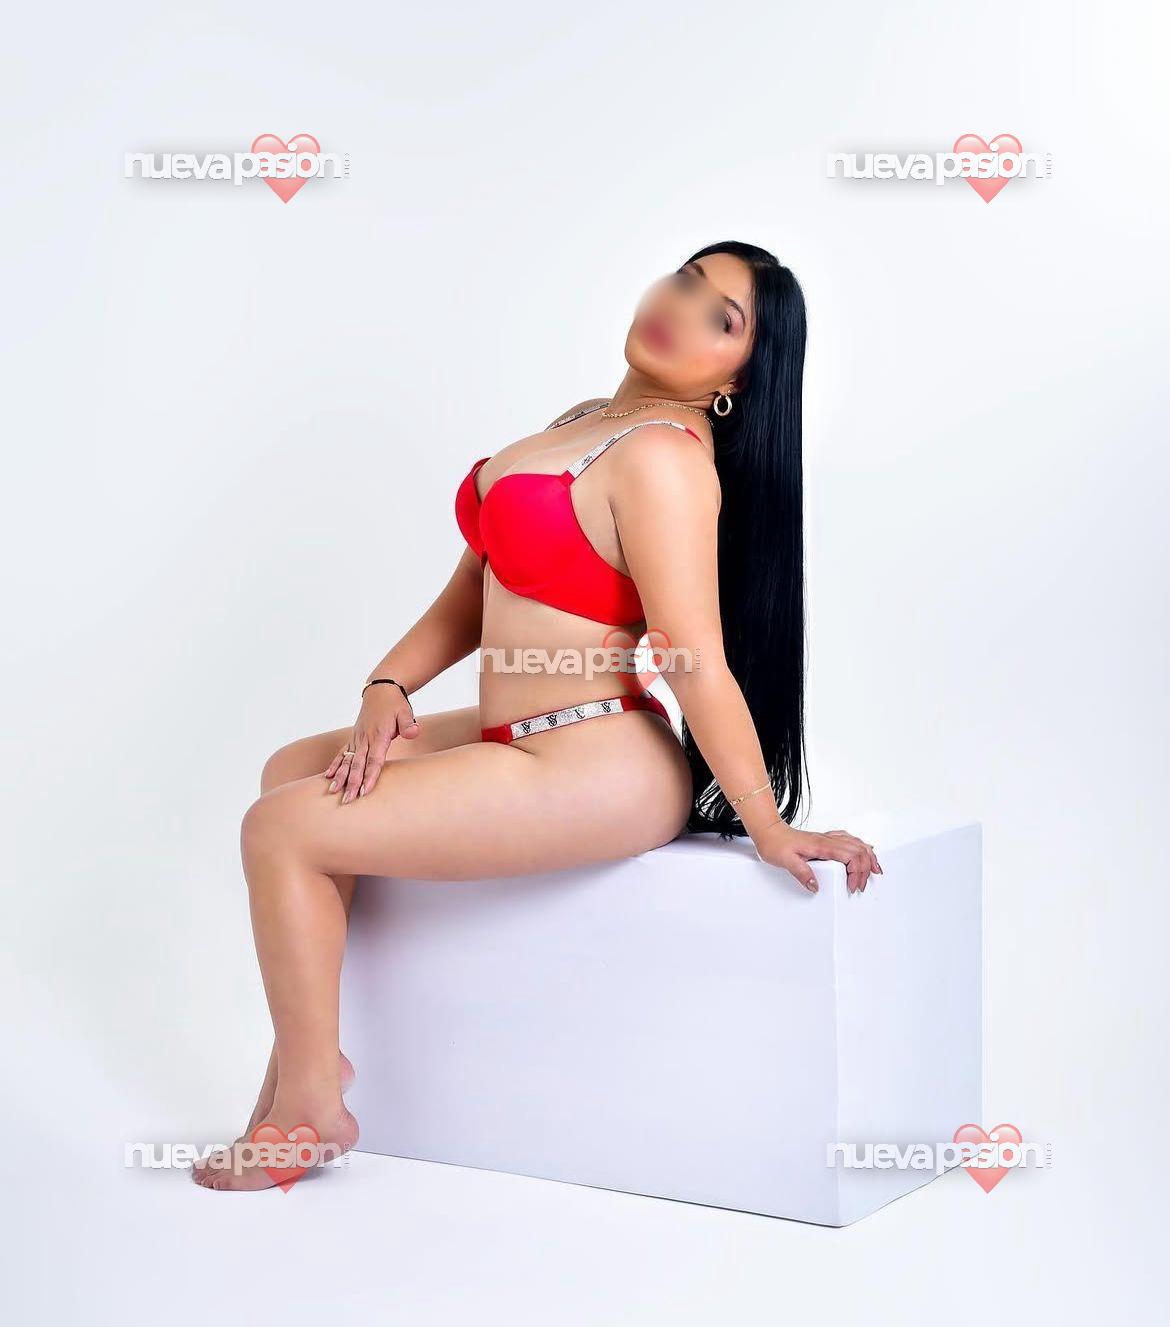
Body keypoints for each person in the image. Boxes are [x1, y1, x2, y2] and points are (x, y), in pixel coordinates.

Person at [192, 240, 882, 1192]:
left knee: (279, 827)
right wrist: (389, 684)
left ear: (737, 379)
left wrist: (766, 824)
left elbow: (694, 658)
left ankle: (308, 1101)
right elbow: (473, 591)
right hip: (516, 733)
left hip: (594, 758)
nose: (682, 307)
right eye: (687, 280)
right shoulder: (586, 420)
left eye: (721, 318)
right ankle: (305, 1060)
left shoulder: (666, 461)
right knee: (291, 770)